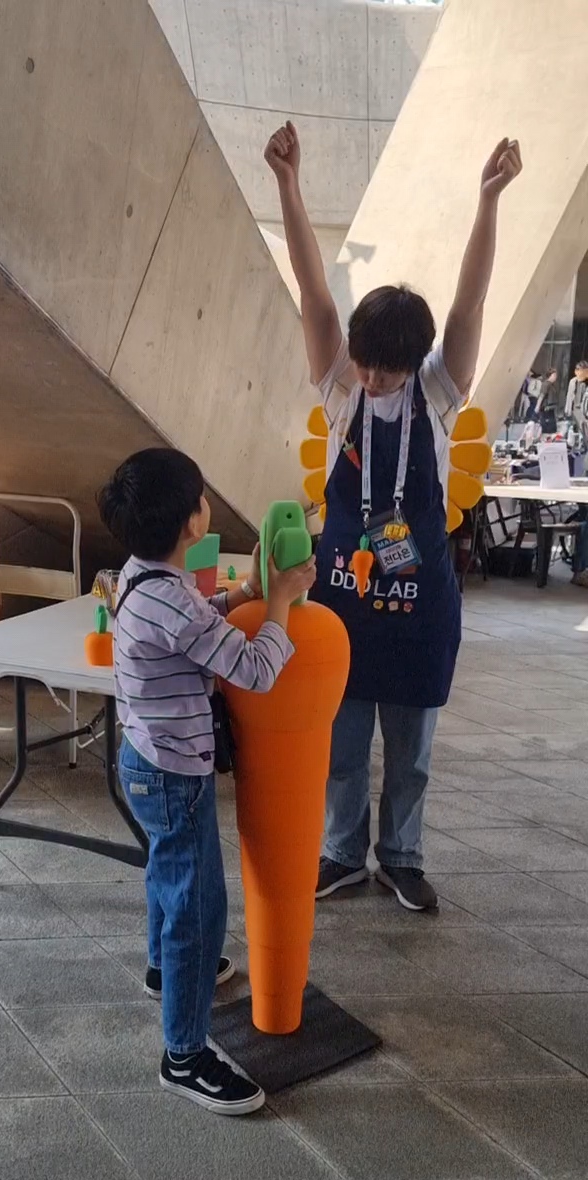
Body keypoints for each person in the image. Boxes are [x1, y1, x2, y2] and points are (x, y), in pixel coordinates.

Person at [265, 121, 522, 911]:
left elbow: (470, 300)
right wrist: (289, 187)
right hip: (343, 606)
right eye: (366, 360)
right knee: (342, 748)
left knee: (410, 752)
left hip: (420, 608)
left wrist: (487, 200)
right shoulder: (342, 391)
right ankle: (342, 853)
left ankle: (402, 856)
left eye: (388, 366)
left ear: (416, 362)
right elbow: (313, 295)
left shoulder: (438, 397)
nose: (373, 377)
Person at [98, 448, 315, 1114]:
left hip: (145, 759)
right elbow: (251, 668)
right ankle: (185, 1056)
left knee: (170, 875)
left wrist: (245, 595)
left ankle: (166, 971)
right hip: (173, 773)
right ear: (192, 522)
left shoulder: (146, 578)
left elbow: (193, 622)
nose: (206, 503)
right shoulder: (168, 594)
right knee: (199, 908)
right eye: (201, 496)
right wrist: (279, 604)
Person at [536, 367, 559, 434]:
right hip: (546, 408)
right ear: (550, 375)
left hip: (551, 408)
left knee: (552, 426)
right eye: (554, 375)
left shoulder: (552, 385)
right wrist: (537, 406)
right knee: (547, 426)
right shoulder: (546, 384)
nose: (555, 377)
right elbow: (542, 395)